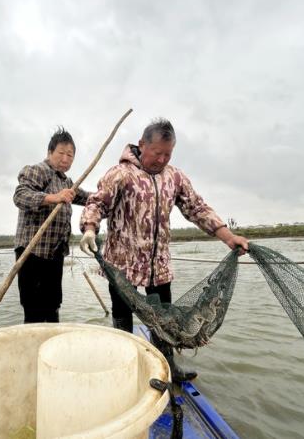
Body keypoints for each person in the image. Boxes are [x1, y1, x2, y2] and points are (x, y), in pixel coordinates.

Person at [79, 118, 248, 382]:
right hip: (122, 265)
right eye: (157, 153)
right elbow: (97, 203)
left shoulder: (174, 177)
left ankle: (167, 366)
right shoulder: (121, 174)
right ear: (142, 144)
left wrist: (228, 237)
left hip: (158, 266)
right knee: (122, 316)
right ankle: (124, 369)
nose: (161, 160)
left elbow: (197, 208)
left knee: (164, 317)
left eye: (167, 154)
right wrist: (90, 228)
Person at [13, 127, 91, 323]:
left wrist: (106, 196)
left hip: (54, 255)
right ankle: (34, 349)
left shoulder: (67, 181)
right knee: (34, 310)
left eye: (70, 155)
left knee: (53, 305)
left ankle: (51, 347)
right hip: (32, 253)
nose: (66, 159)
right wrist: (54, 197)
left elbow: (86, 198)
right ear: (49, 152)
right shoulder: (38, 171)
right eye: (61, 153)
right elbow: (20, 196)